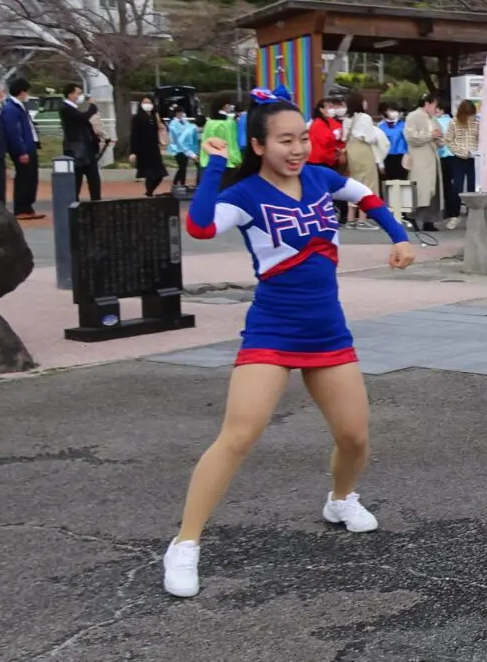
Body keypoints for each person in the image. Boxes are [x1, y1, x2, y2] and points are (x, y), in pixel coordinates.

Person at [162, 92, 416, 599]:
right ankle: (185, 543)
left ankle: (340, 499)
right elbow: (200, 226)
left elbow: (366, 196)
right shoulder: (246, 195)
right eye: (285, 140)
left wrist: (399, 235)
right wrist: (214, 165)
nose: (297, 148)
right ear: (258, 145)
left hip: (328, 331)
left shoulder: (321, 179)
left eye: (302, 138)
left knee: (355, 437)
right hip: (273, 331)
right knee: (238, 435)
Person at [2, 77, 43, 220]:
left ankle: (28, 207)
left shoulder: (19, 107)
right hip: (23, 149)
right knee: (24, 178)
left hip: (30, 146)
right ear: (22, 92)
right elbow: (13, 132)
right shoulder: (11, 109)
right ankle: (21, 208)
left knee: (31, 178)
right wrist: (21, 151)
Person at [403, 93, 443, 232]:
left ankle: (428, 220)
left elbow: (440, 138)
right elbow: (411, 137)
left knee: (432, 190)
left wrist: (439, 138)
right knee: (419, 189)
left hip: (432, 157)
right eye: (435, 105)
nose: (436, 109)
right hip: (419, 158)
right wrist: (430, 135)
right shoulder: (413, 116)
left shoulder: (433, 118)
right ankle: (412, 218)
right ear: (427, 103)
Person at [308, 95, 350, 224]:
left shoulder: (330, 122)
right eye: (328, 107)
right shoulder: (318, 124)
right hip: (320, 160)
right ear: (321, 109)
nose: (331, 109)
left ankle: (338, 214)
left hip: (329, 159)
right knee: (324, 188)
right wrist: (334, 138)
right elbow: (325, 141)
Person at [60, 84, 103, 200]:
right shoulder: (66, 109)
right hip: (76, 150)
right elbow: (83, 117)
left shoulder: (74, 108)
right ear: (70, 94)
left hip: (86, 149)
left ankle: (96, 201)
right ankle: (74, 202)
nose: (80, 96)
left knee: (93, 178)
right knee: (77, 178)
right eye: (78, 93)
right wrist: (92, 106)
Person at [441, 100, 479, 229]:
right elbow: (448, 140)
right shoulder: (454, 122)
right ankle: (454, 215)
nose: (470, 117)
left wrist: (477, 152)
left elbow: (481, 139)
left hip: (473, 158)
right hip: (457, 158)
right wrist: (460, 152)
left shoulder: (477, 123)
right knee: (457, 187)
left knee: (473, 187)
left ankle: (473, 215)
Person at [345, 101, 386, 204]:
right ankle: (365, 212)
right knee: (369, 182)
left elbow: (344, 137)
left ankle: (351, 212)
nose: (366, 103)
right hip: (363, 149)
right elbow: (370, 138)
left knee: (354, 181)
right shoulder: (365, 117)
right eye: (363, 101)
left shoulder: (347, 118)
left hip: (351, 149)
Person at [129, 96, 168, 198]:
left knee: (160, 174)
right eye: (145, 102)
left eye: (149, 102)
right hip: (143, 150)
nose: (147, 105)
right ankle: (149, 194)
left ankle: (149, 192)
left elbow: (161, 129)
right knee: (149, 175)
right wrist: (133, 152)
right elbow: (134, 135)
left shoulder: (155, 116)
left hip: (154, 149)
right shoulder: (137, 118)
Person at [200, 99, 241, 173]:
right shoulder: (229, 123)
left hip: (208, 161)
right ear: (225, 106)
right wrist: (236, 160)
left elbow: (205, 141)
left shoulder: (209, 123)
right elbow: (231, 143)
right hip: (227, 162)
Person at [167, 106, 201, 193]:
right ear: (176, 113)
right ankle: (177, 183)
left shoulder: (185, 122)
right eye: (180, 112)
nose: (181, 114)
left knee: (184, 166)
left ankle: (181, 183)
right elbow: (177, 136)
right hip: (177, 148)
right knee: (182, 166)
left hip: (186, 147)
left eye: (182, 112)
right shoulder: (173, 124)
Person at [378, 104, 408, 182]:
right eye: (390, 110)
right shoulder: (381, 127)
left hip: (401, 158)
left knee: (402, 183)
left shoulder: (404, 125)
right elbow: (379, 146)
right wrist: (380, 164)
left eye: (395, 110)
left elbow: (408, 142)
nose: (393, 113)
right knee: (389, 183)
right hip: (386, 158)